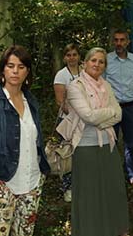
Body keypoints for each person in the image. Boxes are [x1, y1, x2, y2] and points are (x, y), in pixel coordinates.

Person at [0, 45, 50, 236]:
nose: (15, 71)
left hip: (32, 185)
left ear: (27, 72)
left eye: (21, 66)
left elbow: (34, 141)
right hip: (3, 186)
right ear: (2, 70)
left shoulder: (32, 102)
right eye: (10, 65)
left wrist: (42, 175)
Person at [57, 47, 129, 236]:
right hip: (86, 147)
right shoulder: (75, 86)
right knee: (90, 195)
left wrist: (104, 115)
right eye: (93, 60)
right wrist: (109, 112)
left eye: (101, 61)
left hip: (108, 144)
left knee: (112, 190)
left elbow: (119, 114)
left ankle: (112, 230)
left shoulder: (107, 86)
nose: (97, 64)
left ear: (105, 66)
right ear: (85, 63)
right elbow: (88, 116)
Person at [104, 29, 133, 184]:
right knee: (109, 142)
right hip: (112, 108)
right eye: (116, 40)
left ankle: (131, 174)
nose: (119, 43)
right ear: (113, 42)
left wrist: (132, 95)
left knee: (130, 142)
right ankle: (111, 174)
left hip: (129, 107)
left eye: (122, 40)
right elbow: (103, 82)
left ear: (128, 42)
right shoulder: (106, 59)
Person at [52, 43, 82, 202]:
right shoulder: (61, 75)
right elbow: (60, 101)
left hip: (86, 122)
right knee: (67, 156)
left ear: (79, 56)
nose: (72, 58)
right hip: (68, 122)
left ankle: (82, 186)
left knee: (82, 155)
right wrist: (75, 116)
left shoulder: (85, 72)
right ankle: (67, 188)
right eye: (69, 55)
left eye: (74, 54)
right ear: (65, 58)